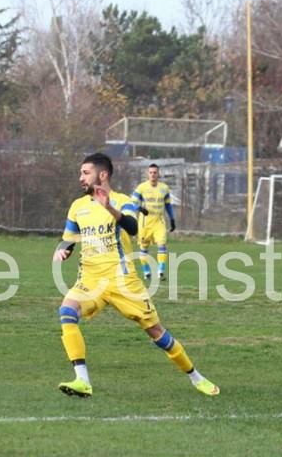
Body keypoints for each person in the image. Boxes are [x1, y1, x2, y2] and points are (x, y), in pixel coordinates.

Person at [53, 152, 219, 398]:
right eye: (81, 173)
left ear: (102, 175)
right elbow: (68, 239)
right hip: (90, 280)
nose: (81, 178)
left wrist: (108, 207)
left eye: (85, 173)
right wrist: (62, 250)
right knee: (67, 311)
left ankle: (196, 377)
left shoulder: (122, 201)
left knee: (157, 332)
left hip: (123, 281)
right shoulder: (78, 206)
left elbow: (132, 228)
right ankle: (82, 380)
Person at [131, 164, 175, 280]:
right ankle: (146, 272)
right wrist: (140, 209)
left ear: (158, 174)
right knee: (144, 248)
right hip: (145, 223)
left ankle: (161, 272)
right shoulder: (141, 188)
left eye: (155, 172)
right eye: (150, 172)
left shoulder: (164, 188)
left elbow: (168, 205)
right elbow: (132, 202)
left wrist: (172, 219)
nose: (153, 174)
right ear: (148, 174)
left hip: (159, 222)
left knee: (162, 244)